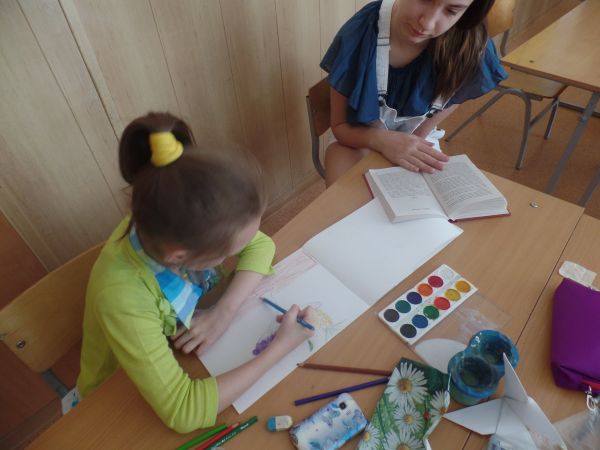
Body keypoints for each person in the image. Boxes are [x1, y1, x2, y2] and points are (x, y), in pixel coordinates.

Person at [77, 112, 314, 433]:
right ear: (181, 256)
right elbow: (183, 411)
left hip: (183, 341)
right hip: (117, 399)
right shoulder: (123, 297)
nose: (241, 249)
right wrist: (280, 349)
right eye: (228, 252)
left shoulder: (168, 218)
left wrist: (223, 313)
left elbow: (262, 246)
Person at [321, 0, 507, 185]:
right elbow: (341, 127)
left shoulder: (471, 45)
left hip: (418, 137)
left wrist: (409, 144)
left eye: (452, 10)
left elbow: (453, 97)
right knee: (346, 196)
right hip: (358, 136)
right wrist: (383, 141)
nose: (427, 24)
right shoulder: (361, 32)